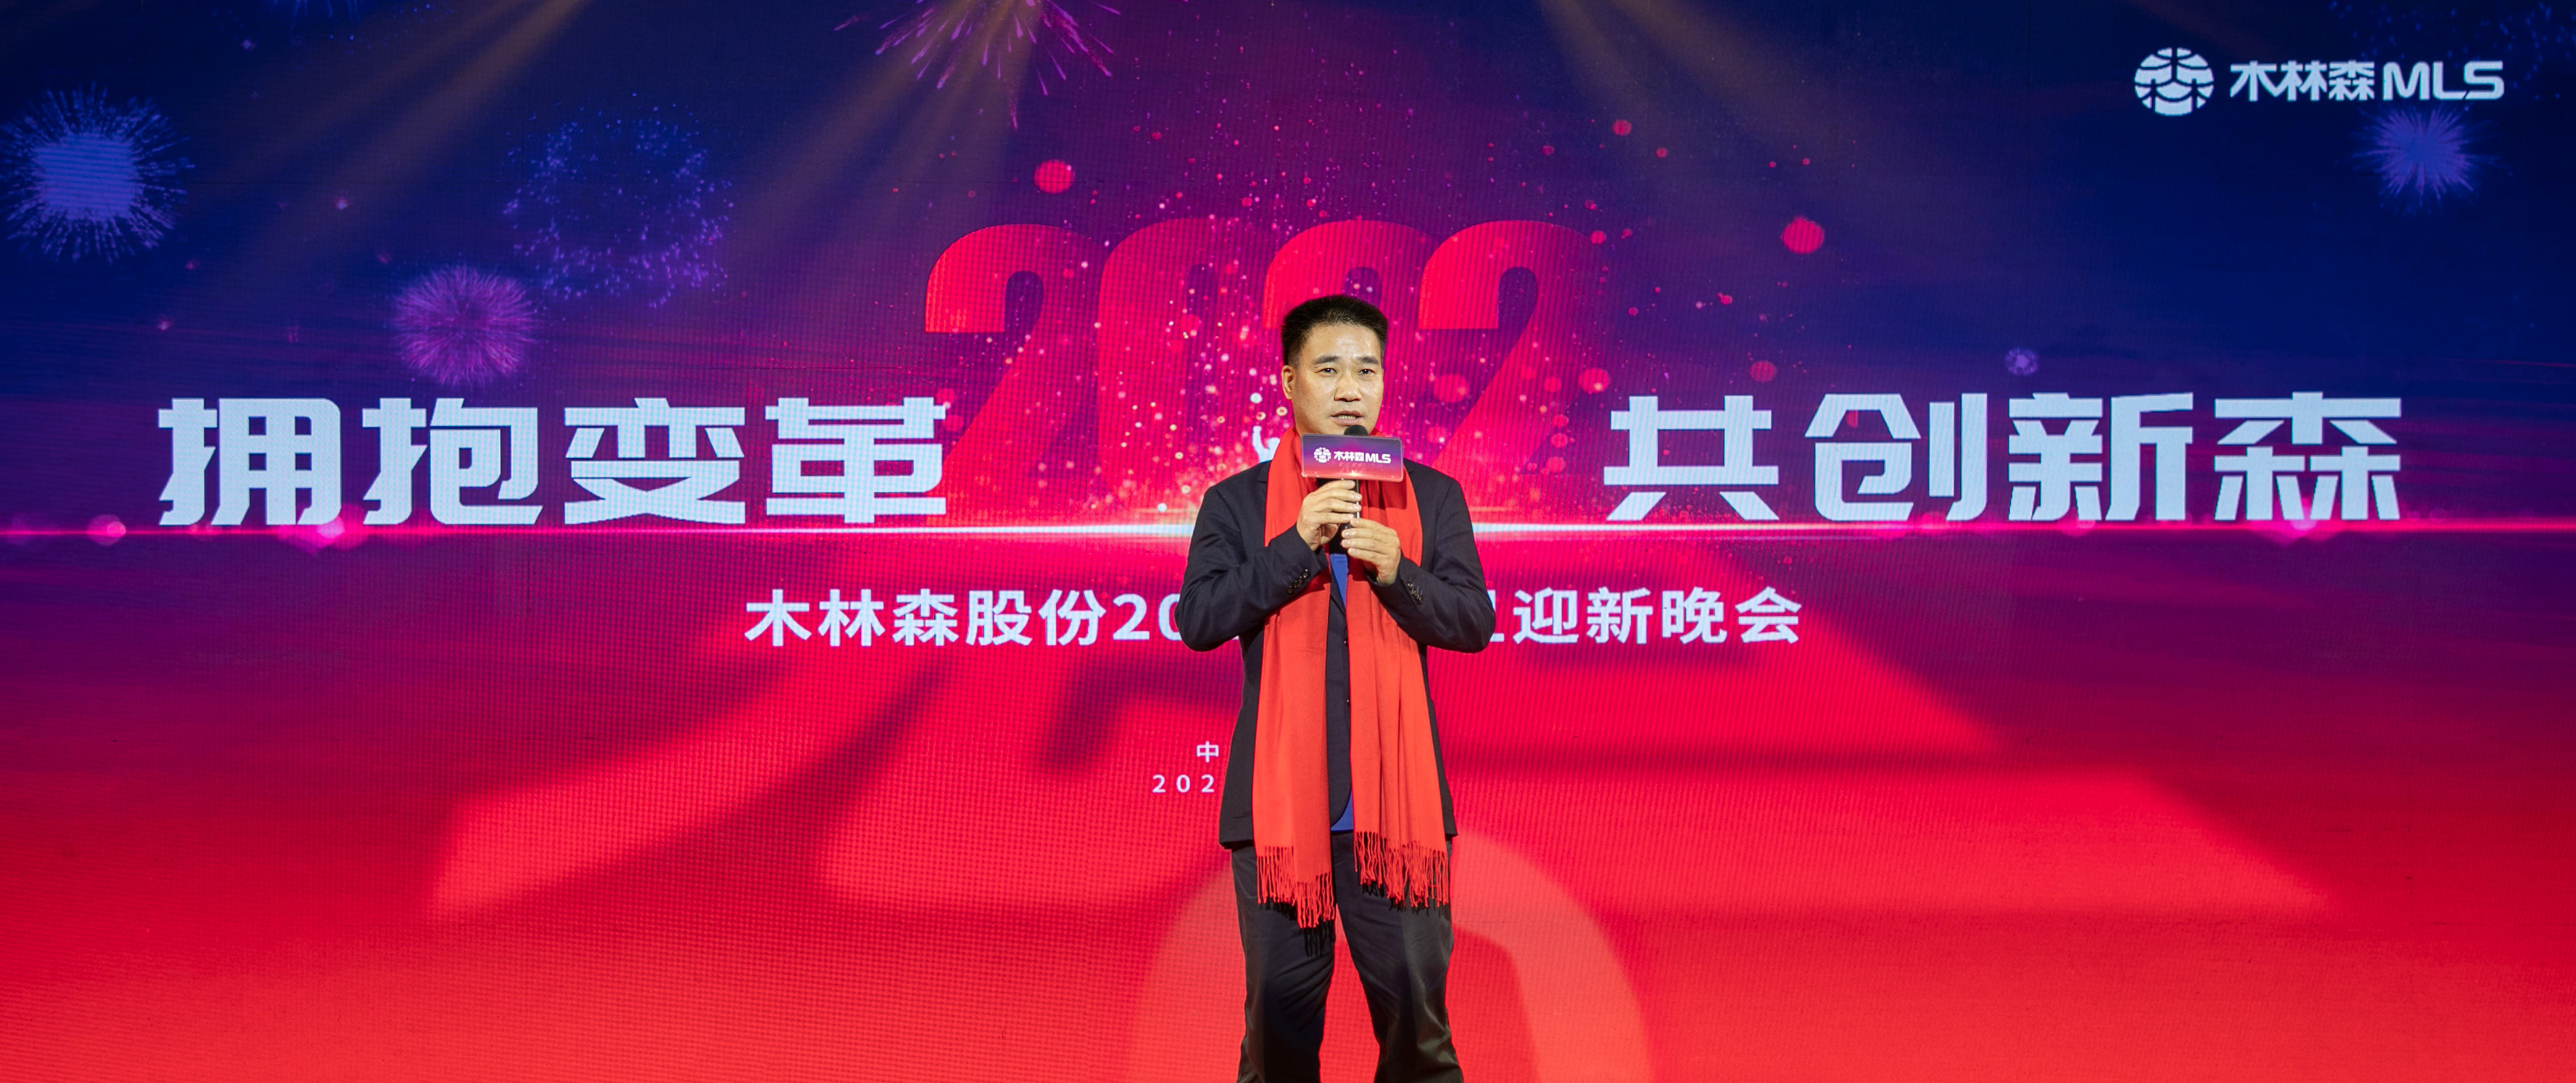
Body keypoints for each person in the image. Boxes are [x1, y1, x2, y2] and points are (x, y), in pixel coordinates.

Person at [1176, 294, 1496, 1082]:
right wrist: (1297, 543)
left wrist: (1397, 571)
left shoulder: (1433, 497)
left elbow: (1471, 621)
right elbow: (1200, 619)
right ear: (1289, 381)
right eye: (1328, 369)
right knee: (1277, 1038)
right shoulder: (1237, 502)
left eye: (1367, 371)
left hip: (1397, 820)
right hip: (1282, 819)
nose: (1350, 389)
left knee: (1418, 1036)